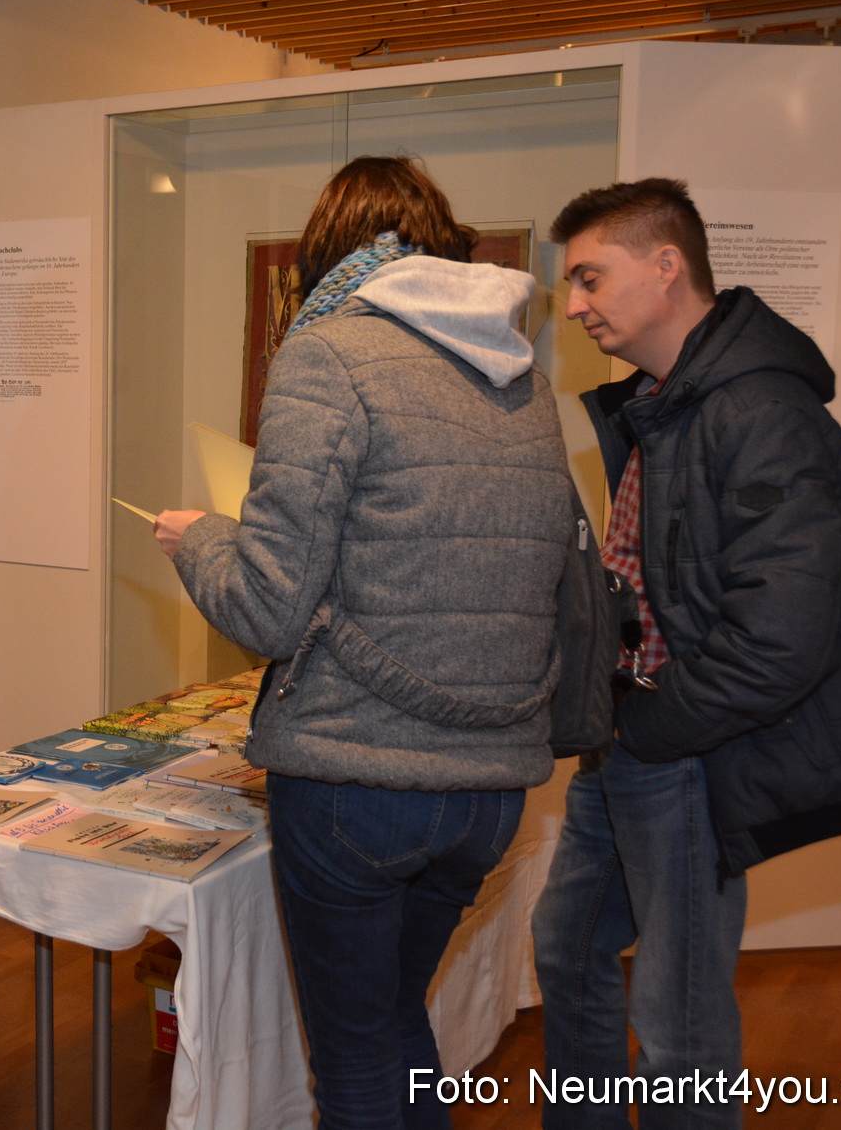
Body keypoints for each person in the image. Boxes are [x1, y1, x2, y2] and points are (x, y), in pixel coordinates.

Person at [154, 156, 575, 1129]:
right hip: (489, 789)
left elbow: (264, 607)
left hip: (355, 779)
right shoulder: (521, 376)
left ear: (329, 254)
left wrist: (198, 538)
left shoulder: (328, 354)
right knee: (390, 1027)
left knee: (352, 1061)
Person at [531, 178, 841, 1129]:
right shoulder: (665, 405)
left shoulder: (758, 414)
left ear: (667, 267)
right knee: (569, 945)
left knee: (679, 1019)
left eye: (589, 277)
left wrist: (650, 723)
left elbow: (778, 637)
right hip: (633, 743)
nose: (572, 306)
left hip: (684, 749)